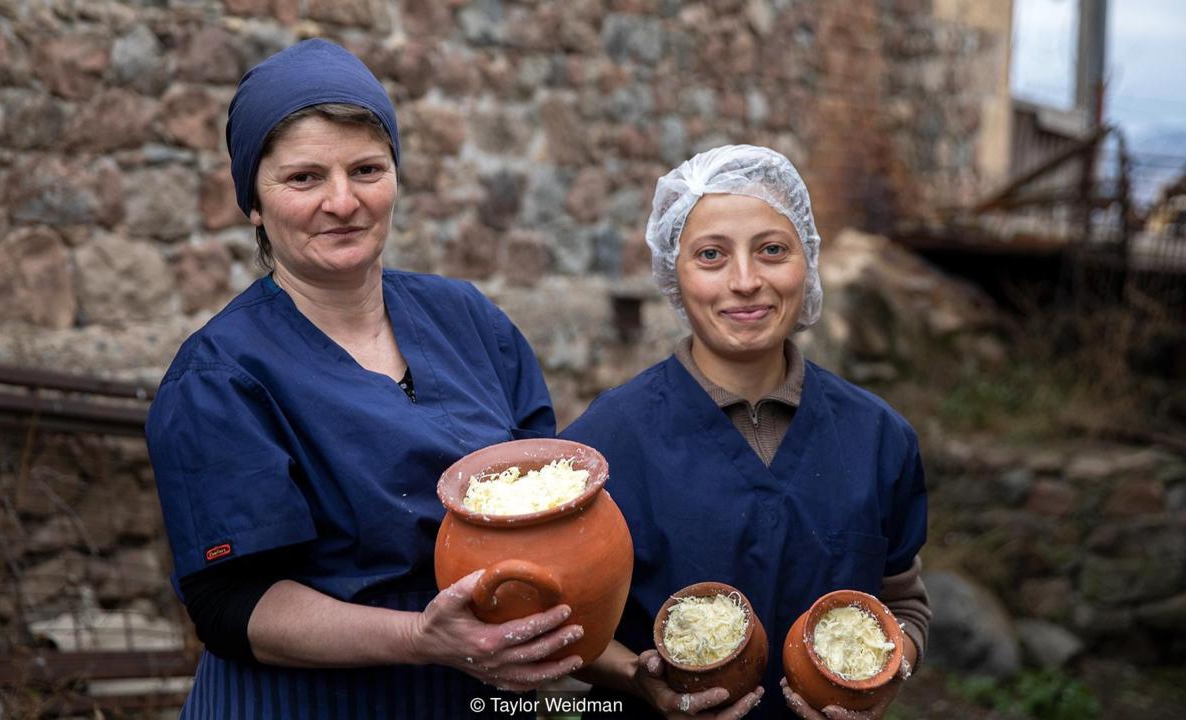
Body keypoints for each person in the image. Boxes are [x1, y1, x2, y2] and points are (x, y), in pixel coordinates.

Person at [145, 39, 584, 718]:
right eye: (304, 178)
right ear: (253, 203)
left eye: (367, 169)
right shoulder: (220, 377)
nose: (343, 201)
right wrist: (422, 638)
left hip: (474, 695)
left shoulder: (469, 322)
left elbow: (544, 508)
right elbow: (233, 604)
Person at [563, 145, 931, 720]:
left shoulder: (878, 437)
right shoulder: (608, 442)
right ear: (672, 272)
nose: (745, 281)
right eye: (711, 255)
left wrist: (886, 674)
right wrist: (638, 681)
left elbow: (904, 603)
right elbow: (570, 627)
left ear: (806, 259)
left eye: (772, 250)